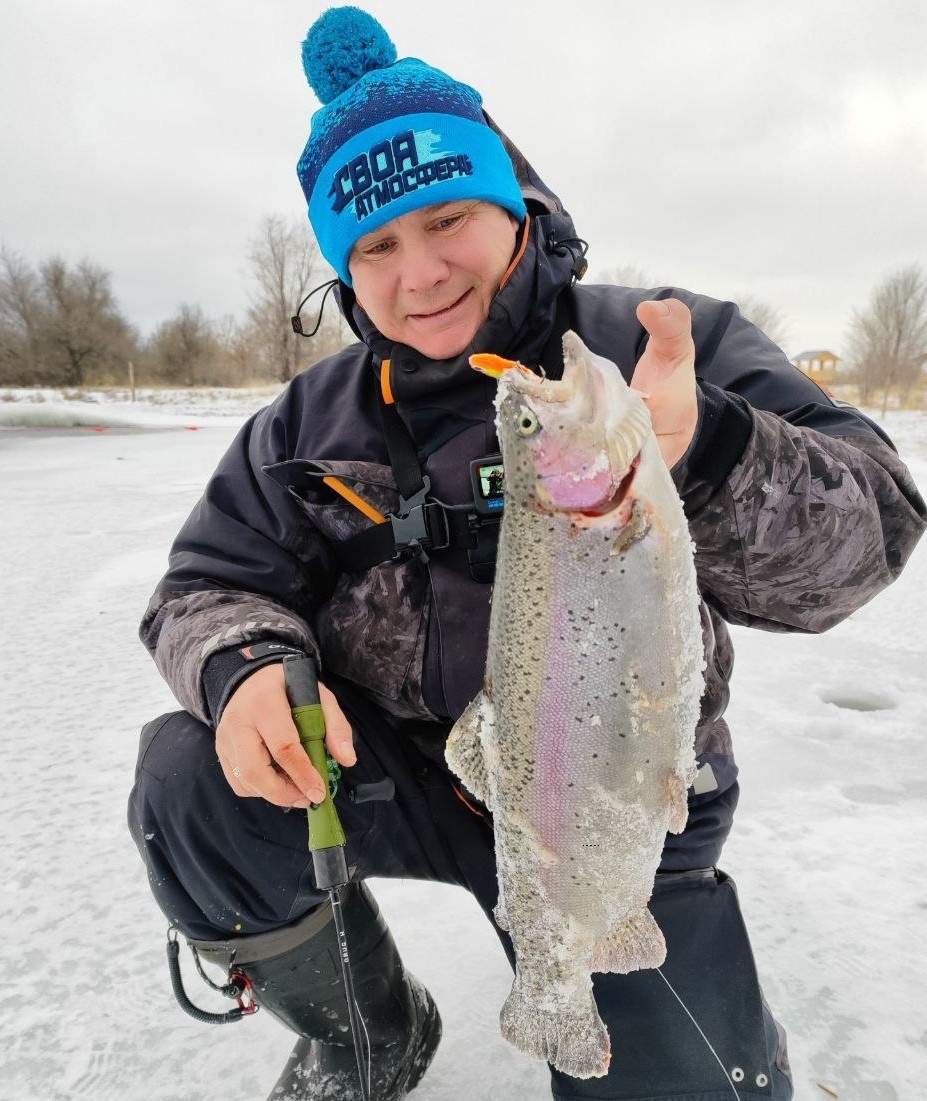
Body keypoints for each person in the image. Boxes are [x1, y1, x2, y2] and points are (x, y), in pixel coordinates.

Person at [128, 7, 926, 1101]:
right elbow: (207, 584)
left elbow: (873, 534)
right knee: (185, 777)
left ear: (514, 201)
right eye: (375, 247)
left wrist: (710, 451)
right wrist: (244, 666)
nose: (419, 276)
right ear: (344, 268)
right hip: (403, 775)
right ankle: (366, 1031)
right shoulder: (308, 423)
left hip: (624, 791)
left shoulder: (655, 349)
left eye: (446, 217)